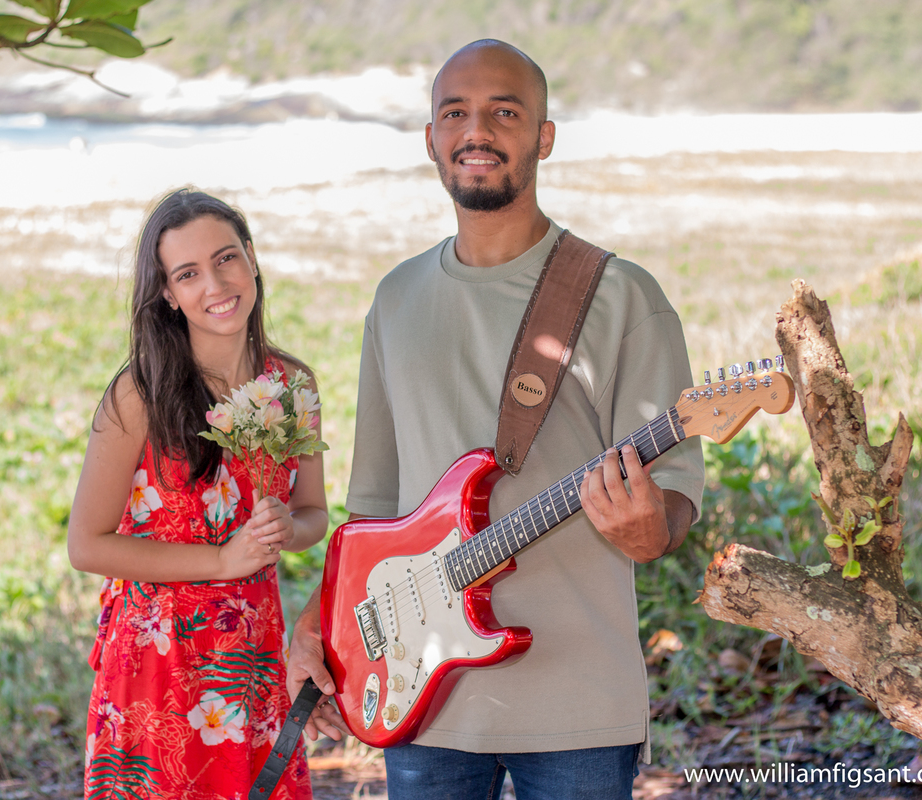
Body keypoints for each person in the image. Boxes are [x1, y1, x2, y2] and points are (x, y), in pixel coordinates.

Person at [286, 40, 705, 800]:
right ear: (432, 140)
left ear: (543, 137)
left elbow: (673, 497)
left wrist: (652, 529)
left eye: (504, 112)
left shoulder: (621, 296)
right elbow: (374, 506)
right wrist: (323, 620)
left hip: (579, 700)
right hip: (421, 693)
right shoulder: (397, 298)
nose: (477, 130)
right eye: (456, 113)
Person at [68, 188, 328, 799]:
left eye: (226, 258)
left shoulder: (290, 383)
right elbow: (86, 545)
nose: (215, 284)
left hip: (250, 662)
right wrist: (219, 561)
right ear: (167, 292)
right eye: (188, 273)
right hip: (156, 668)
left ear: (252, 258)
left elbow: (314, 512)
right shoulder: (140, 394)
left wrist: (290, 531)